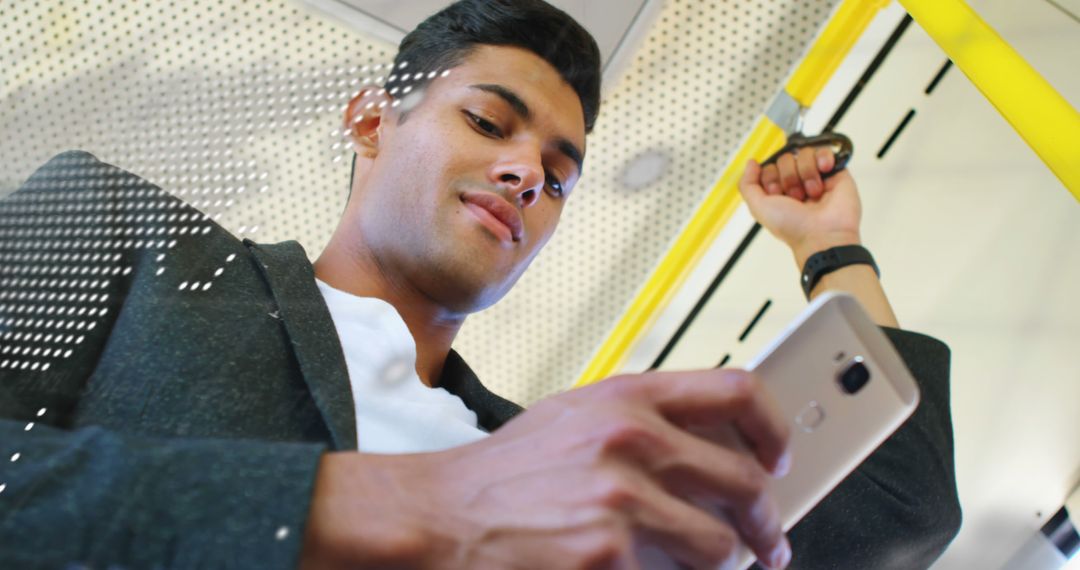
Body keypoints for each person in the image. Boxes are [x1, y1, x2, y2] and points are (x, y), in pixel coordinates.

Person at [0, 1, 960, 568]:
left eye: (560, 171)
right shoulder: (132, 234)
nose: (528, 176)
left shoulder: (540, 460)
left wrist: (829, 248)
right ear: (373, 121)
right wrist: (413, 503)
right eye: (491, 124)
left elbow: (898, 519)